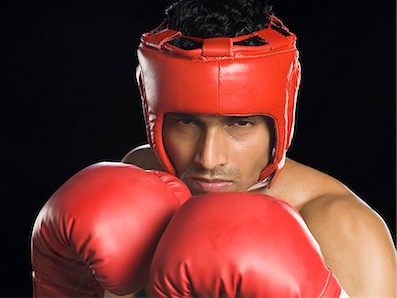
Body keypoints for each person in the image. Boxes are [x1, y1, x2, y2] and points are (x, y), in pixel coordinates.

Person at [31, 0, 396, 297]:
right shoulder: (139, 179)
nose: (208, 158)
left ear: (281, 119)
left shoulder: (345, 232)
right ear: (153, 114)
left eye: (239, 123)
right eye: (187, 122)